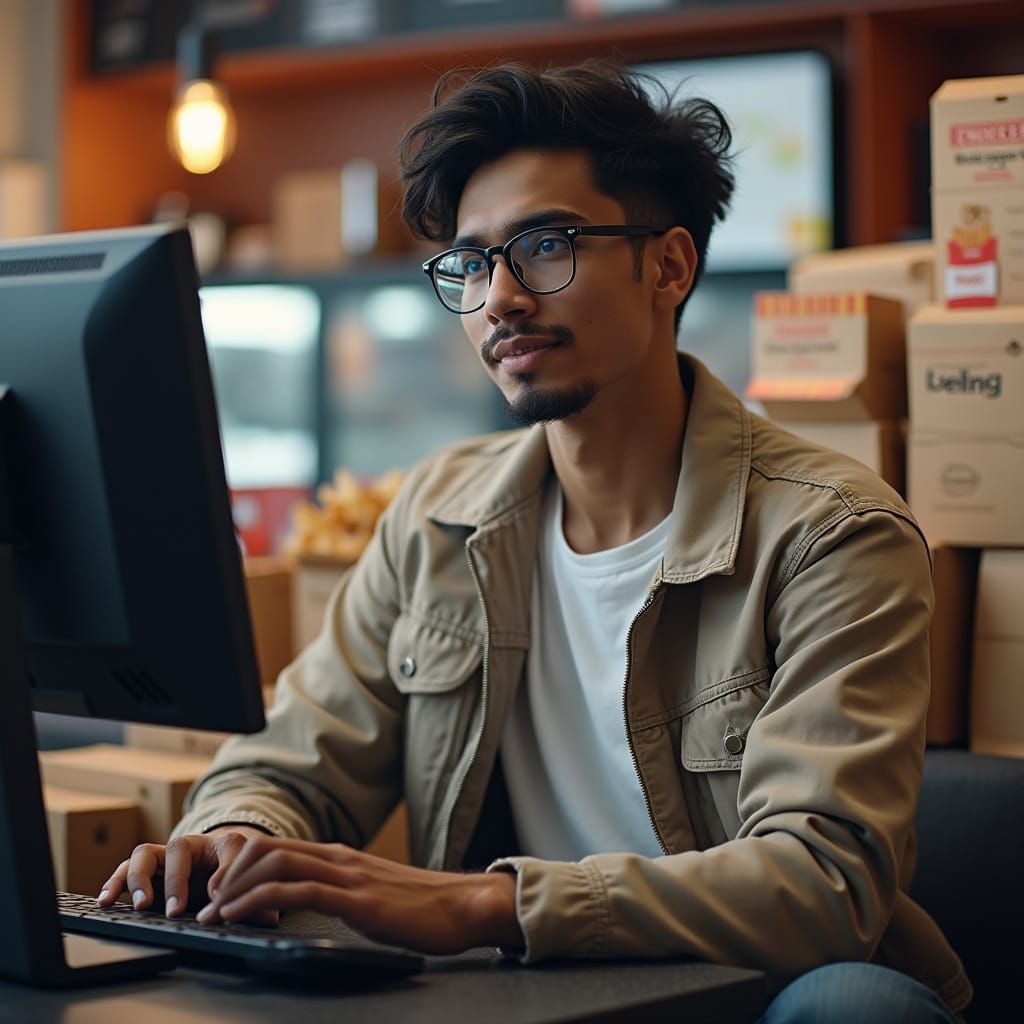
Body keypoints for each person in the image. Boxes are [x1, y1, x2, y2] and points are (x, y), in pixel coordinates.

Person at [98, 62, 971, 1021]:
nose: (501, 296)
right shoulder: (437, 513)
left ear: (669, 266)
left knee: (855, 1007)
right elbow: (284, 764)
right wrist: (227, 839)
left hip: (750, 994)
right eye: (472, 264)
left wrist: (487, 901)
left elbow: (825, 886)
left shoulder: (833, 532)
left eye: (545, 245)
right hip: (533, 995)